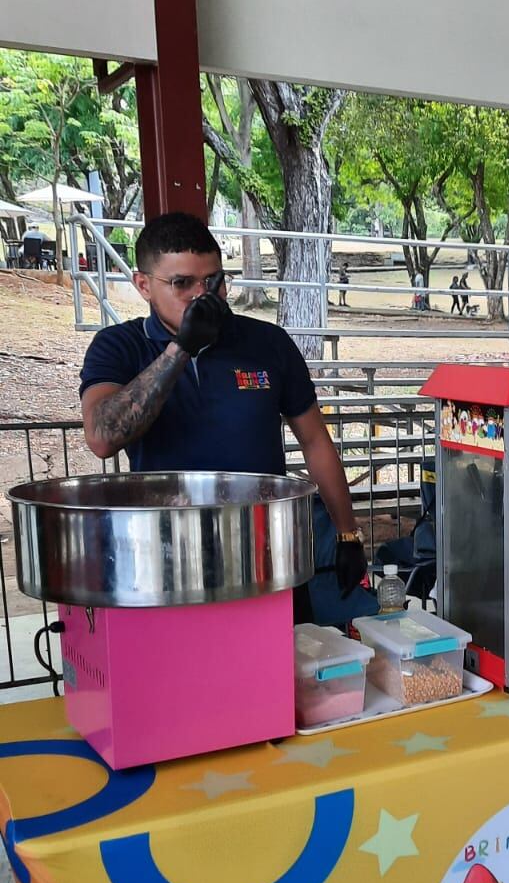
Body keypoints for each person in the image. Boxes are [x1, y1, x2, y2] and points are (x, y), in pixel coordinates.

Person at [79, 212, 368, 609]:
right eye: (182, 283)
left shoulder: (267, 342)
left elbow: (315, 440)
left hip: (266, 551)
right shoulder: (119, 346)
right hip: (168, 558)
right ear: (143, 285)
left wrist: (346, 533)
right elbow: (102, 437)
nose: (203, 295)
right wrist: (181, 349)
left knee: (279, 665)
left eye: (212, 281)